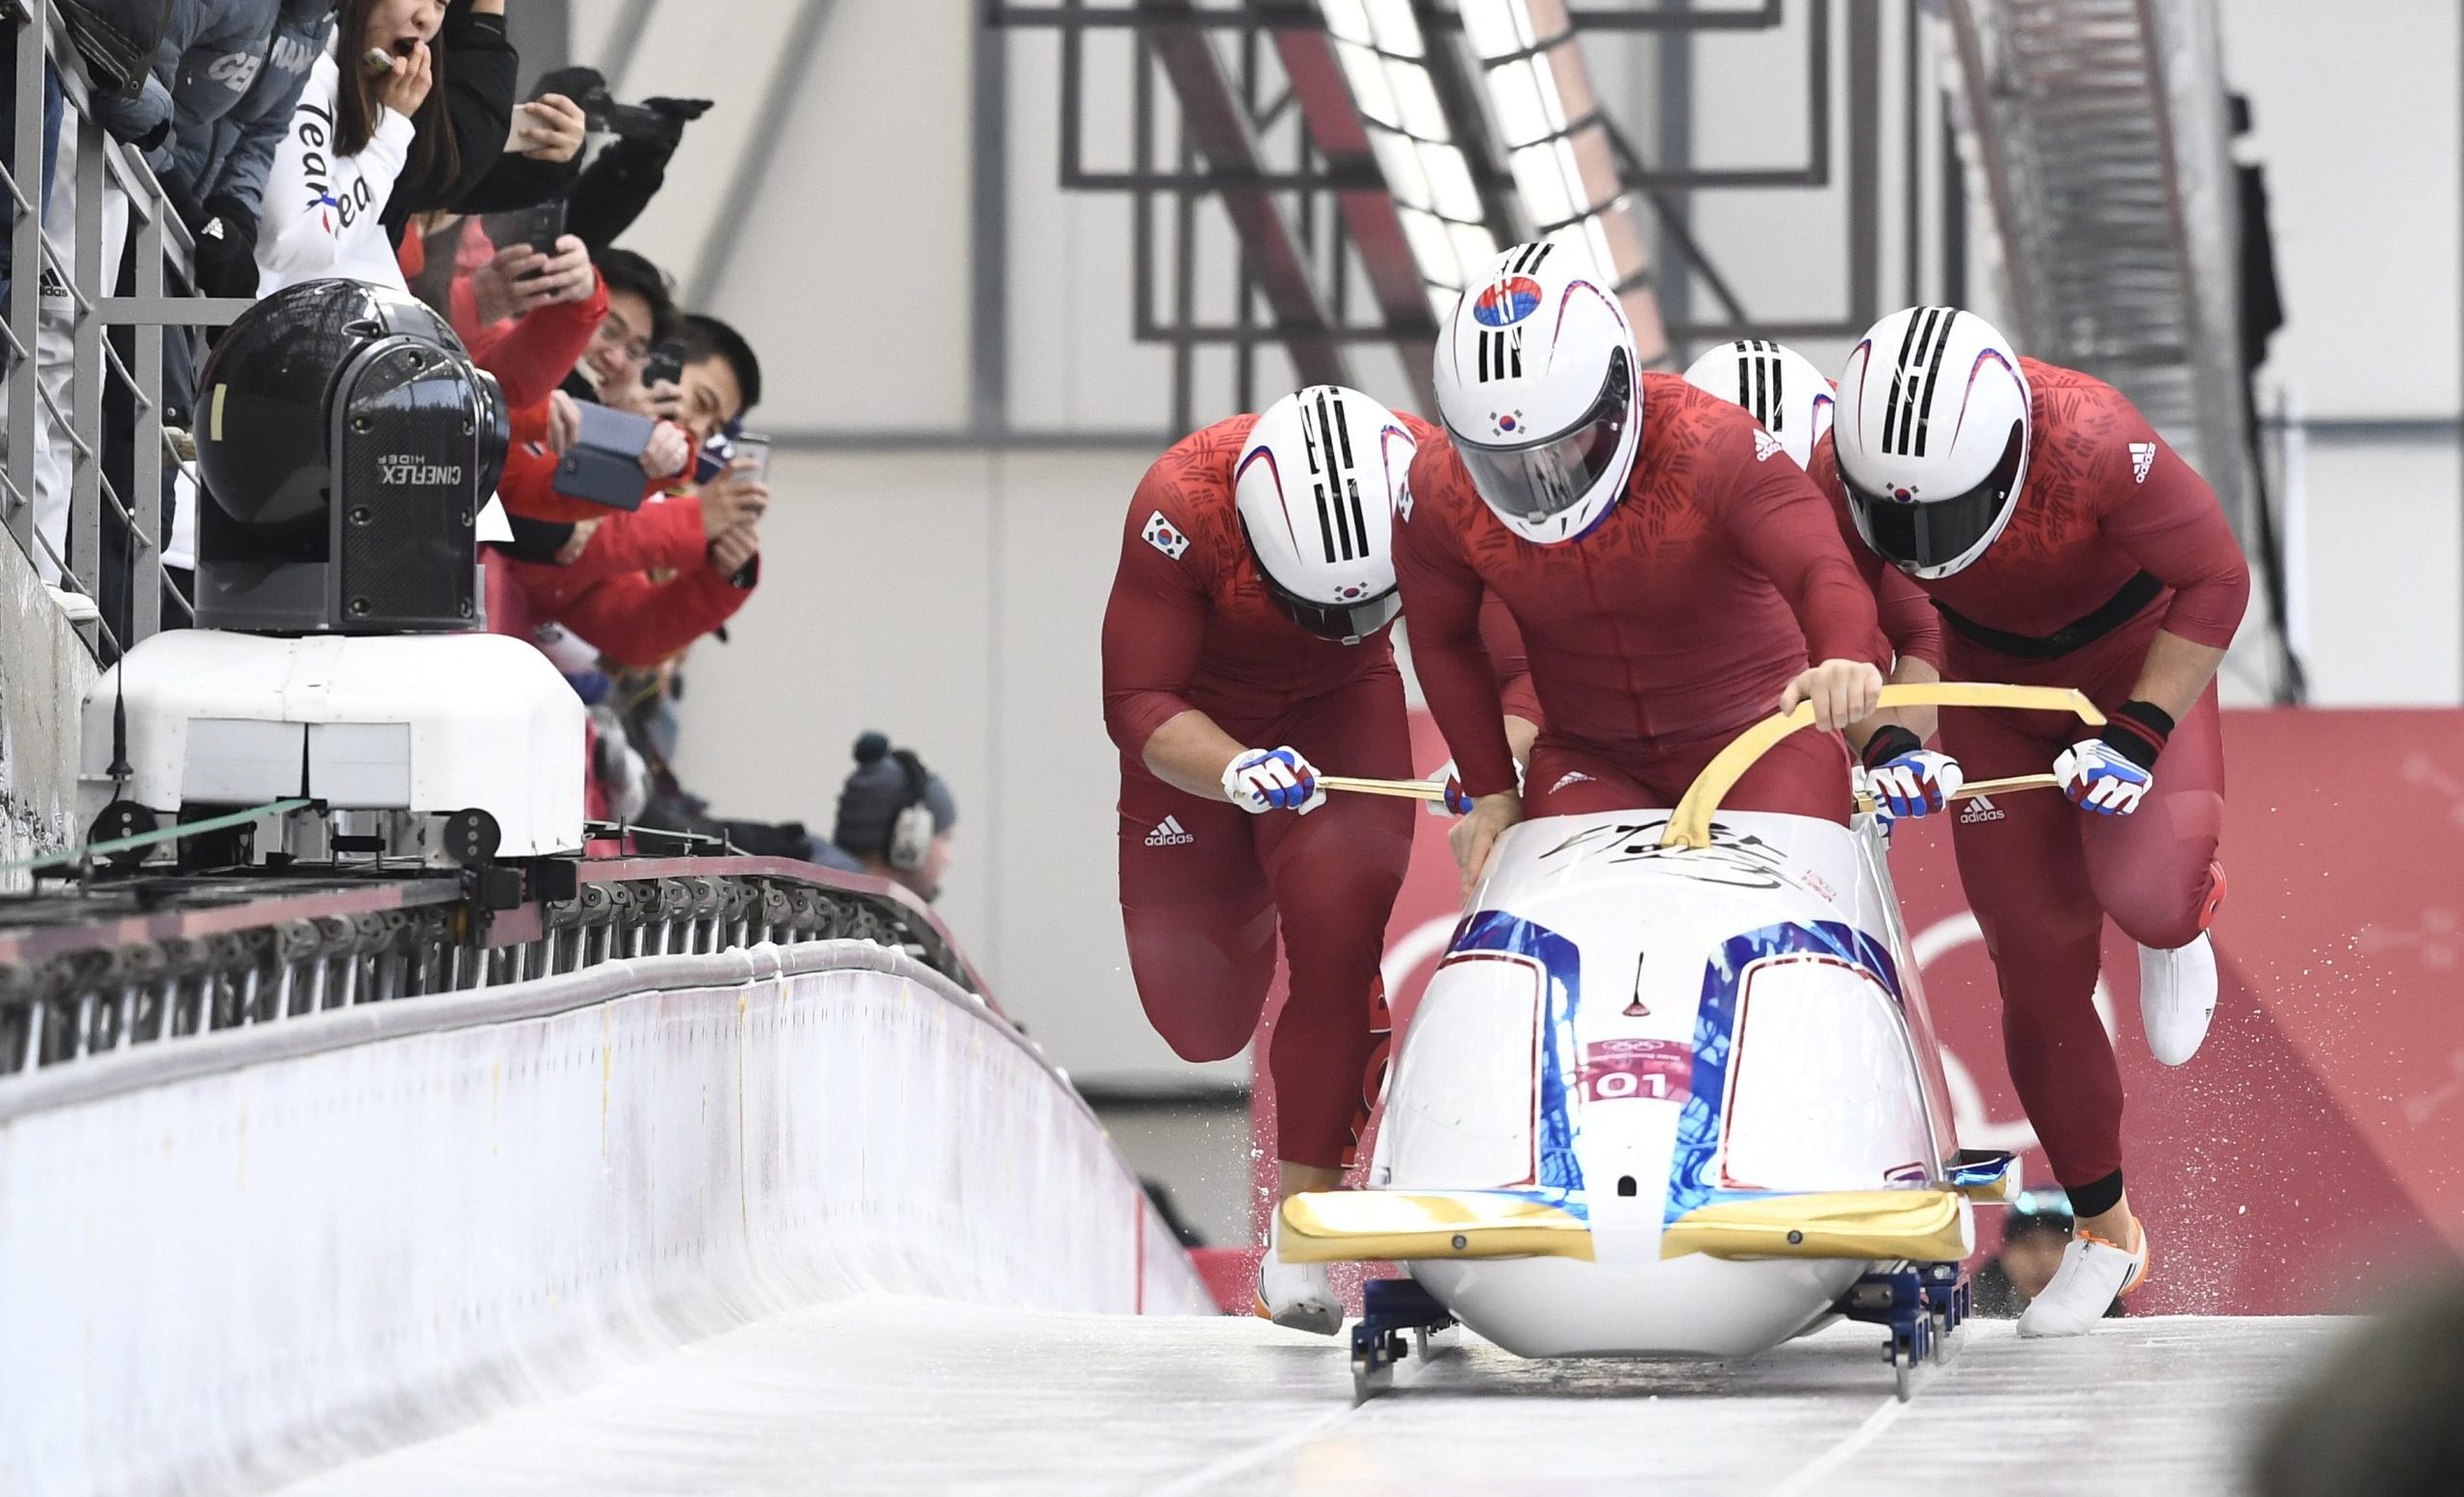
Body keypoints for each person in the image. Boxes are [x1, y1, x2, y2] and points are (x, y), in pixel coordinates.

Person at [1812, 305, 2251, 1337]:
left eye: (1948, 515)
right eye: (1900, 520)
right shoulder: (1834, 470)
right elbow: (1855, 613)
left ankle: (2177, 922)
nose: (1926, 545)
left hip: (2128, 662)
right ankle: (2105, 1231)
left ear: (2010, 452)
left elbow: (2216, 579)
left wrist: (2140, 733)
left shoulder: (2097, 443)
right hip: (1983, 684)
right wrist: (1890, 742)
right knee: (2034, 963)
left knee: (2142, 888)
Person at [1101, 385, 1531, 1334]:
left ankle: (1298, 1246)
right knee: (1199, 1021)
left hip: (1341, 712)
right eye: (1317, 607)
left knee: (1339, 937)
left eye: (1365, 606)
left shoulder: (1441, 480)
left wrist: (1495, 761)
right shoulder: (1178, 502)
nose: (1341, 622)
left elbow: (1522, 661)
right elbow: (1134, 700)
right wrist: (1234, 769)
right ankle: (1254, 895)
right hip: (1200, 733)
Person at [1398, 245, 1915, 899]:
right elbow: (1442, 637)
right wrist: (1493, 789)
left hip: (1759, 743)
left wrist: (1842, 654)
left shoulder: (1707, 444)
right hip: (1589, 758)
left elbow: (1820, 564)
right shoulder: (1439, 489)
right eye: (1507, 463)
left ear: (1618, 395)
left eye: (1564, 447)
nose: (1542, 480)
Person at [255, 0, 449, 296]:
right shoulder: (307, 66)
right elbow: (293, 236)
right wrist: (389, 133)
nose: (426, 19)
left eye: (441, 4)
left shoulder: (339, 74)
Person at [825, 733, 960, 903]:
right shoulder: (849, 918)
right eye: (945, 838)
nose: (949, 858)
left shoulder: (824, 902)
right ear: (911, 838)